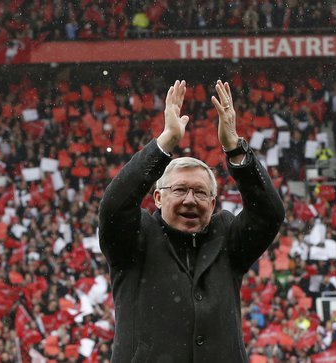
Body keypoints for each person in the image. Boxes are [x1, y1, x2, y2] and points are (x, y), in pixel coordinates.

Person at [99, 80, 285, 363]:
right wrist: (165, 142)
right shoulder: (137, 238)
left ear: (212, 204)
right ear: (158, 198)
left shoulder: (226, 238)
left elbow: (269, 214)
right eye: (180, 190)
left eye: (200, 192)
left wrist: (235, 148)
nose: (189, 200)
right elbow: (113, 207)